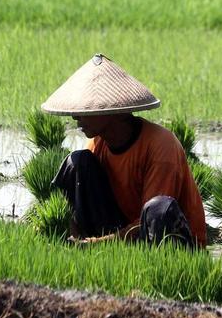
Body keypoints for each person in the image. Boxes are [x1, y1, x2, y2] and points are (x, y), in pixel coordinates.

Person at [42, 53, 206, 248]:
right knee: (76, 163)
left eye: (86, 109)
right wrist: (76, 242)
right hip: (122, 233)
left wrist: (97, 243)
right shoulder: (98, 144)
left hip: (169, 241)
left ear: (112, 111)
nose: (75, 116)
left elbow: (153, 219)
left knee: (157, 207)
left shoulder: (161, 146)